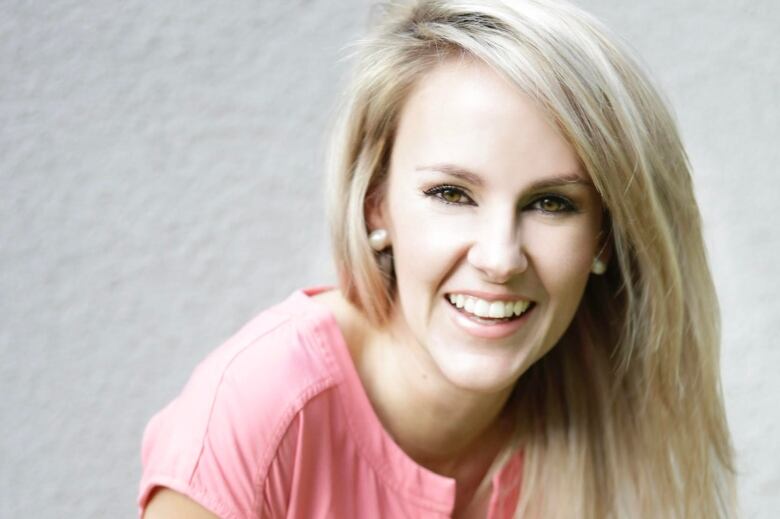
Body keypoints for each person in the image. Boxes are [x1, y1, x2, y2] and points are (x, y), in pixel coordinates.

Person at [138, 0, 737, 517]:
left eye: (552, 203)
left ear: (605, 237)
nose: (501, 257)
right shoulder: (254, 416)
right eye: (451, 194)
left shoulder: (606, 417)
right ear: (376, 203)